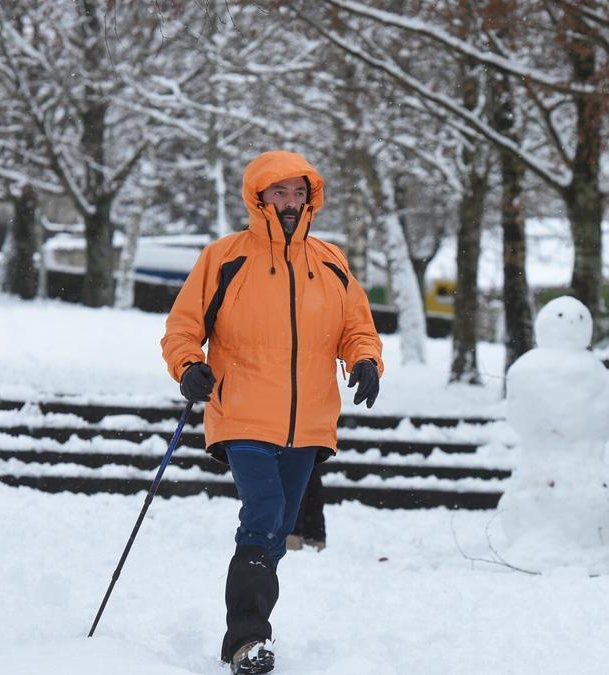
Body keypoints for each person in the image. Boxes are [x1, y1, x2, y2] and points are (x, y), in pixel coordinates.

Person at [161, 150, 383, 674]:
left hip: (309, 421)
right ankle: (247, 641)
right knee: (262, 515)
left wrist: (367, 360)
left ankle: (244, 631)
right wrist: (188, 365)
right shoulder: (225, 257)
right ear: (258, 197)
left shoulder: (330, 261)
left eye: (297, 193)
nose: (289, 203)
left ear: (311, 198)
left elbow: (357, 327)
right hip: (242, 412)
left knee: (278, 527)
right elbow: (182, 327)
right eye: (279, 192)